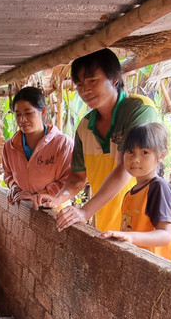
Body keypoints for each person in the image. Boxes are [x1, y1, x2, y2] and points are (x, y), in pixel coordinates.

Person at [37, 48, 160, 232]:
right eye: (79, 85)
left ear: (114, 79)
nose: (85, 90)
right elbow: (78, 177)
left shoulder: (139, 110)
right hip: (106, 224)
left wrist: (85, 212)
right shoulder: (84, 127)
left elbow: (126, 168)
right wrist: (57, 199)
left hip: (144, 225)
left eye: (92, 81)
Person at [99, 122, 171, 261]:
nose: (135, 159)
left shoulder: (158, 188)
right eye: (130, 151)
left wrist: (131, 237)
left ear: (162, 155)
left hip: (154, 268)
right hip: (137, 264)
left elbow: (165, 235)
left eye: (144, 152)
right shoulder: (131, 193)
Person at [1, 87, 74, 210]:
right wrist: (15, 187)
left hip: (56, 209)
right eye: (18, 114)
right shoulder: (10, 147)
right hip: (25, 208)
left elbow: (69, 181)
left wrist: (36, 195)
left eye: (28, 113)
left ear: (43, 111)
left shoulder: (63, 143)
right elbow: (8, 174)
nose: (22, 120)